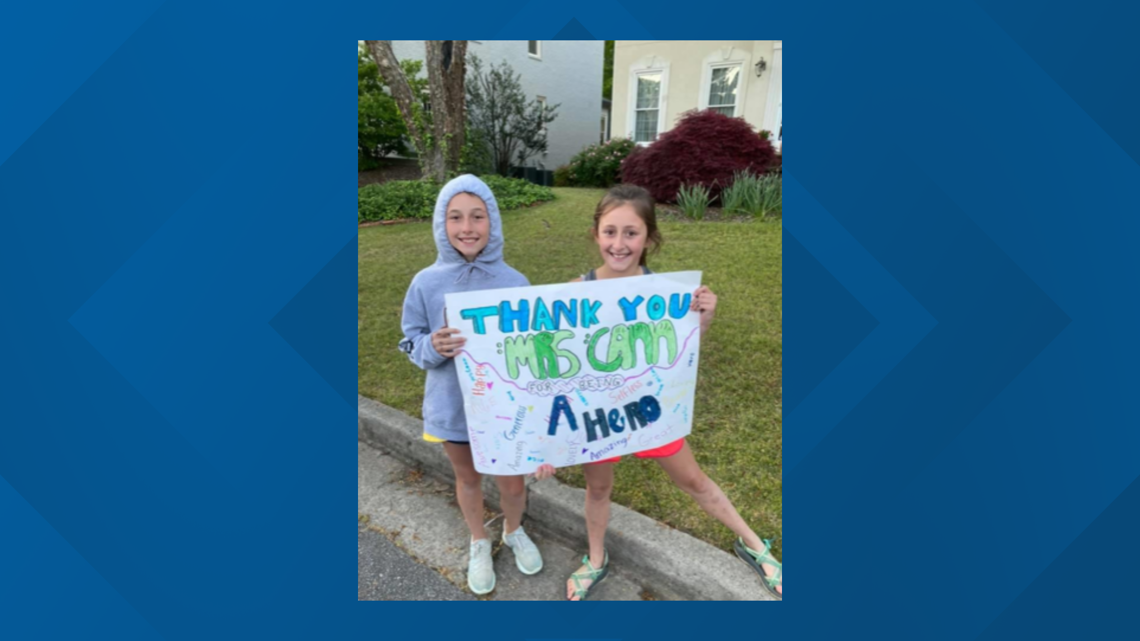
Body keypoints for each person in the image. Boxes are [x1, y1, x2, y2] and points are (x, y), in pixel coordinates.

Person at [533, 184, 782, 600]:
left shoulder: (669, 294)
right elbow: (557, 371)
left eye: (631, 233)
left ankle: (756, 546)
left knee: (695, 481)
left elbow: (681, 354)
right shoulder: (574, 292)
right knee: (598, 488)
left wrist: (704, 317)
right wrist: (548, 443)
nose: (619, 243)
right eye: (610, 231)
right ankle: (596, 558)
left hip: (650, 411)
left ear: (649, 238)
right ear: (595, 233)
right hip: (596, 416)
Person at [398, 175, 543, 595]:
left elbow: (532, 348)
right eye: (455, 217)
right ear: (441, 225)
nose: (467, 227)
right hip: (452, 405)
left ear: (492, 222)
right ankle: (479, 539)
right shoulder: (425, 282)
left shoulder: (516, 282)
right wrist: (432, 345)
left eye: (477, 216)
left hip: (506, 408)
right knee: (468, 478)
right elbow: (410, 338)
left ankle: (513, 530)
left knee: (513, 482)